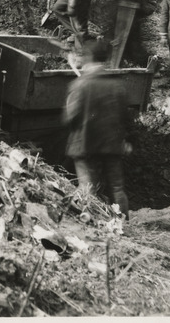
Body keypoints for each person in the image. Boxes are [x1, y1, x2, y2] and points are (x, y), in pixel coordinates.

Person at [65, 38, 130, 219]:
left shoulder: (80, 84)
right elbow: (126, 118)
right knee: (117, 188)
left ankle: (92, 223)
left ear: (88, 57)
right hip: (112, 145)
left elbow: (70, 117)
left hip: (85, 145)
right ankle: (123, 224)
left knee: (87, 187)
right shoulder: (118, 85)